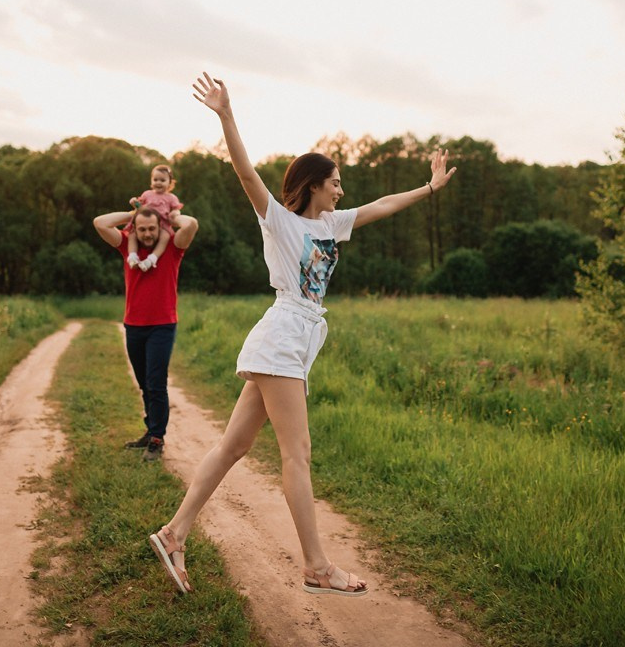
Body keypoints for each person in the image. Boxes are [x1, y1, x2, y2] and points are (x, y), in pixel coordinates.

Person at [148, 72, 456, 596]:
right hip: (285, 334)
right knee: (298, 453)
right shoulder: (280, 221)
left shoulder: (331, 226)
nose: (342, 188)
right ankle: (316, 566)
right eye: (335, 181)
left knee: (232, 447)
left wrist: (429, 188)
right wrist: (226, 115)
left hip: (294, 338)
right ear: (314, 184)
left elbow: (381, 206)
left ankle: (173, 533)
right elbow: (247, 176)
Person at [93, 202, 199, 461]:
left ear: (158, 227)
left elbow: (192, 224)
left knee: (156, 383)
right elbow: (100, 222)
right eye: (142, 229)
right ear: (135, 229)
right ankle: (150, 430)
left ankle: (156, 439)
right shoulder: (127, 244)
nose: (148, 234)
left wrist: (170, 217)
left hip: (162, 325)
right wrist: (132, 214)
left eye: (152, 228)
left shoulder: (174, 247)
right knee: (144, 384)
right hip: (133, 325)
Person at [127, 164, 184, 271]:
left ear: (170, 183)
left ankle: (151, 259)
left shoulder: (171, 198)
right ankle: (133, 256)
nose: (158, 182)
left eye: (162, 180)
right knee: (132, 234)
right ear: (151, 181)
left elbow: (176, 209)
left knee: (165, 238)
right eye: (155, 179)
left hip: (162, 225)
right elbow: (140, 207)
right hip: (145, 222)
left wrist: (175, 213)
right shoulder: (147, 194)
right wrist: (134, 202)